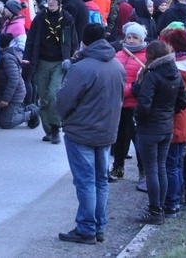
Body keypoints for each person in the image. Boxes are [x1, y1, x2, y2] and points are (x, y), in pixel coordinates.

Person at [56, 24, 125, 245]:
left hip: (82, 131)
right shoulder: (117, 65)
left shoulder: (82, 68)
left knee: (85, 181)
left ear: (84, 41)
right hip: (106, 130)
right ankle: (98, 226)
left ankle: (86, 227)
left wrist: (65, 118)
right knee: (100, 180)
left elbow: (64, 100)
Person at [132, 40, 186, 226]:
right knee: (161, 168)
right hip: (166, 127)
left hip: (150, 128)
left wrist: (140, 119)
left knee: (152, 170)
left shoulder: (152, 75)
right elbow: (183, 101)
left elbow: (144, 103)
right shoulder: (175, 73)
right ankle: (160, 208)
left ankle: (155, 210)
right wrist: (168, 112)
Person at [24, 0, 78, 144]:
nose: (51, 2)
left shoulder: (67, 18)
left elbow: (73, 40)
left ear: (59, 1)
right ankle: (47, 129)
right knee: (44, 96)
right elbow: (31, 40)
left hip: (59, 63)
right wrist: (27, 59)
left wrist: (73, 57)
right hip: (41, 61)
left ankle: (55, 128)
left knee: (54, 94)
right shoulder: (40, 18)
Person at [163, 29, 186, 218]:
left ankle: (171, 202)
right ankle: (175, 199)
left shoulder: (173, 69)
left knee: (170, 165)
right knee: (177, 163)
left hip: (174, 121)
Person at [109, 23, 147, 184]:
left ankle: (143, 171)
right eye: (129, 37)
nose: (131, 41)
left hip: (135, 105)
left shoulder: (146, 57)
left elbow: (144, 81)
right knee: (119, 138)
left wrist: (126, 89)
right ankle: (118, 167)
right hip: (119, 105)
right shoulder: (118, 55)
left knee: (138, 140)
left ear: (141, 39)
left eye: (135, 38)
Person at [0, 34, 32, 129]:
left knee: (6, 123)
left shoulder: (8, 58)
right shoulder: (2, 56)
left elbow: (13, 80)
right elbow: (0, 80)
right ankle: (16, 110)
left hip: (15, 94)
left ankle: (30, 113)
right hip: (6, 92)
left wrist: (5, 100)